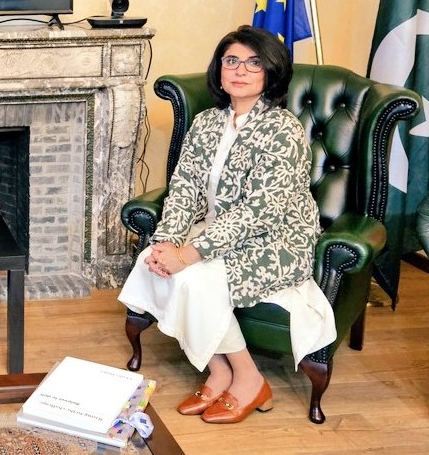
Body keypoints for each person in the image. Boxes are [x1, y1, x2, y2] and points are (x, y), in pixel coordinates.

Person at [117, 25, 336, 424]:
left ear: (271, 73)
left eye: (253, 63)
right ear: (219, 69)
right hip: (220, 232)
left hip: (277, 240)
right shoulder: (206, 123)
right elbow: (184, 189)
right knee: (153, 261)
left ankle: (250, 379)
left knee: (196, 279)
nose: (240, 70)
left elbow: (260, 211)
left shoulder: (284, 129)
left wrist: (190, 253)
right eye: (231, 60)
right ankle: (219, 371)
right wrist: (167, 242)